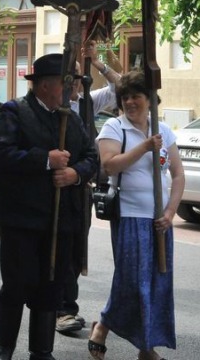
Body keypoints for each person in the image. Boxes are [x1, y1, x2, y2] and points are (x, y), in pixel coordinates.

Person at [0, 53, 98, 360]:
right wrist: (45, 160)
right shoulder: (15, 112)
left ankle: (41, 351)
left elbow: (92, 157)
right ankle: (5, 348)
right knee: (16, 286)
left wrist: (76, 174)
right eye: (69, 83)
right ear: (48, 85)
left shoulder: (71, 118)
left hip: (61, 221)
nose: (74, 89)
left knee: (52, 287)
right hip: (22, 220)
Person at [88, 71, 185, 360]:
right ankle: (104, 326)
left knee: (157, 283)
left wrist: (170, 212)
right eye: (125, 97)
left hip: (160, 220)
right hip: (130, 216)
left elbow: (178, 175)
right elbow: (110, 166)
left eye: (136, 96)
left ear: (149, 99)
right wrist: (144, 147)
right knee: (132, 281)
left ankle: (146, 347)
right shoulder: (114, 128)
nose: (130, 102)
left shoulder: (163, 131)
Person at [57, 41, 123, 334]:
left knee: (74, 249)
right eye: (69, 74)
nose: (75, 80)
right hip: (53, 186)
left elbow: (121, 88)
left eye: (77, 74)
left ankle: (64, 307)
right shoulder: (47, 105)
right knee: (55, 247)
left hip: (81, 187)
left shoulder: (87, 101)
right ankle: (56, 307)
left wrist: (98, 64)